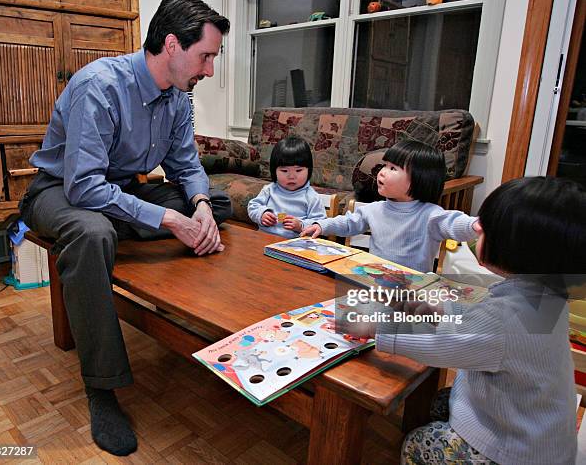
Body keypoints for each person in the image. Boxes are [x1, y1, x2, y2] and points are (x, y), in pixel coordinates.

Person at [19, 0, 231, 456]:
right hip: (61, 189)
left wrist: (199, 208)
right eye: (206, 57)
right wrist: (167, 217)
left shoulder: (177, 98)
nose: (209, 71)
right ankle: (102, 387)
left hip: (117, 190)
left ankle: (176, 278)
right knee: (93, 232)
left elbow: (187, 164)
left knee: (219, 202)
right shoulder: (100, 85)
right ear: (172, 45)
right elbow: (84, 187)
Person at [369, 176, 585, 464]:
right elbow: (482, 328)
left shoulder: (508, 316)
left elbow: (443, 344)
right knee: (441, 401)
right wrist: (439, 309)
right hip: (543, 440)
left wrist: (378, 329)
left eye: (487, 229)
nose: (477, 229)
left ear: (518, 249)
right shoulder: (546, 297)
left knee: (415, 444)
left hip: (511, 452)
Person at [301, 139, 479, 272]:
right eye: (384, 166)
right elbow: (348, 223)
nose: (382, 172)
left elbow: (455, 223)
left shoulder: (430, 214)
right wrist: (321, 225)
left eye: (393, 168)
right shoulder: (374, 209)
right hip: (375, 281)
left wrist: (475, 225)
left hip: (411, 291)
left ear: (420, 178)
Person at [247, 136, 326, 238]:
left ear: (309, 170)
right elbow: (253, 206)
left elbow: (320, 223)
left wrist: (301, 225)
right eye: (284, 171)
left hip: (295, 246)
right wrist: (261, 214)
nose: (291, 176)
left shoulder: (311, 197)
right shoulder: (269, 190)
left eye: (298, 170)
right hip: (264, 239)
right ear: (274, 171)